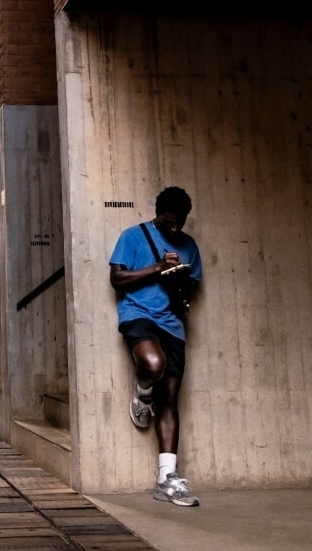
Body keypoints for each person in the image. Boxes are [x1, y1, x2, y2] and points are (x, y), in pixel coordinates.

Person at [109, 186, 202, 506]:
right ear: (158, 213)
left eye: (180, 223)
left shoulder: (190, 246)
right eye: (169, 222)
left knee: (171, 399)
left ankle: (167, 477)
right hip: (139, 315)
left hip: (173, 325)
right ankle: (142, 391)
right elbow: (117, 279)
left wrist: (179, 278)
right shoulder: (132, 236)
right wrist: (157, 268)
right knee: (152, 365)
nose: (174, 229)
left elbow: (191, 288)